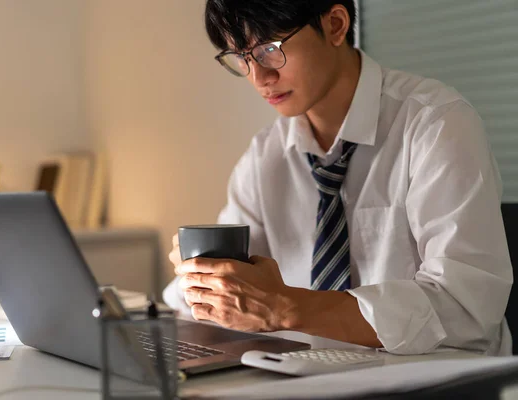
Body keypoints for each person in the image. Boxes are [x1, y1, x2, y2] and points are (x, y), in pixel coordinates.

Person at [163, 0, 513, 355]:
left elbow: (465, 309)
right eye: (241, 57)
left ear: (335, 25)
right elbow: (198, 301)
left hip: (439, 381)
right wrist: (202, 276)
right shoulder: (265, 156)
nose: (259, 78)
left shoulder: (435, 124)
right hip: (307, 377)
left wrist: (286, 308)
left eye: (270, 50)